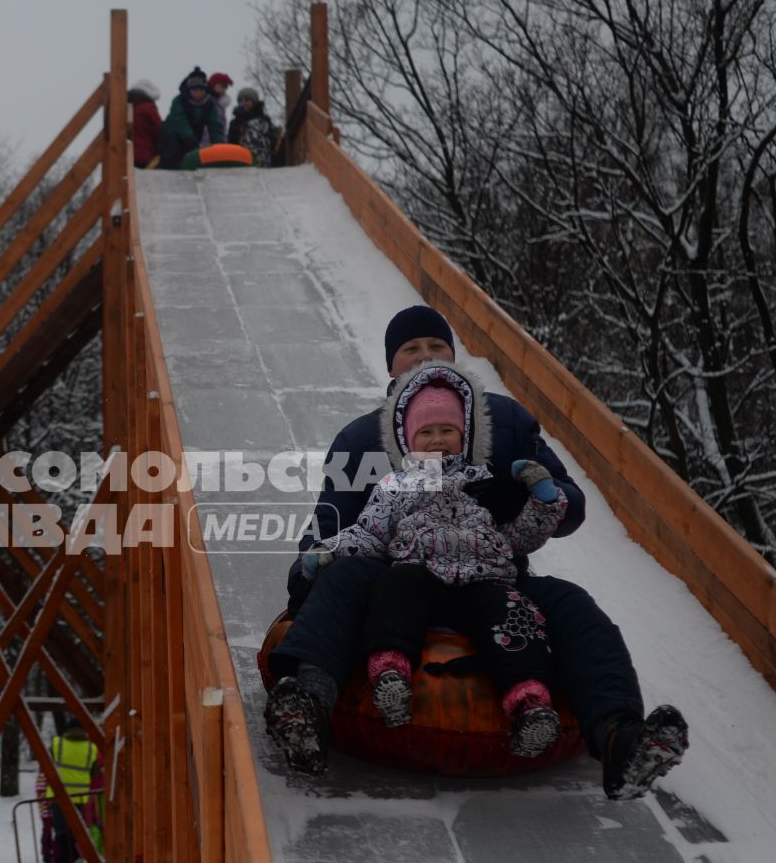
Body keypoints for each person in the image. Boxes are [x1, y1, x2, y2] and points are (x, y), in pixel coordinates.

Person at [264, 304, 689, 799]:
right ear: (390, 367)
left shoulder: (504, 421)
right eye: (410, 349)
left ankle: (619, 736)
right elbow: (337, 520)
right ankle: (309, 707)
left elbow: (566, 505)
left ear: (453, 355)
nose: (424, 356)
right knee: (343, 579)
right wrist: (312, 567)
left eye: (435, 346)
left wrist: (540, 496)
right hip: (399, 576)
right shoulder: (361, 441)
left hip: (492, 577)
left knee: (571, 603)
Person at [303, 360, 569, 758]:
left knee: (514, 613)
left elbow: (516, 539)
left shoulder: (481, 481)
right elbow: (371, 532)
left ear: (463, 437)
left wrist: (545, 503)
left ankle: (530, 703)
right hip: (421, 572)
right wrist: (331, 550)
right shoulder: (396, 485)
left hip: (484, 581)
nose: (438, 439)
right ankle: (390, 674)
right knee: (396, 586)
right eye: (426, 432)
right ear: (409, 441)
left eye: (448, 431)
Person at [41, 722, 103, 863]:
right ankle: (75, 860)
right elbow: (94, 773)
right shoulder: (91, 748)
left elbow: (46, 764)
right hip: (80, 796)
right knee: (77, 830)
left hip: (58, 795)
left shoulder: (57, 744)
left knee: (61, 830)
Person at [159, 68, 226, 170]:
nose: (198, 94)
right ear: (189, 90)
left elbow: (215, 126)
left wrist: (219, 147)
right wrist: (191, 140)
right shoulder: (179, 101)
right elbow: (180, 121)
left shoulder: (210, 104)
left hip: (194, 134)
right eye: (195, 90)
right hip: (175, 133)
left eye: (201, 90)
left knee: (191, 154)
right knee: (172, 142)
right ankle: (167, 168)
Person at [227, 88, 280, 166]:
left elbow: (273, 140)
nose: (244, 103)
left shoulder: (264, 119)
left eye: (247, 100)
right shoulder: (235, 122)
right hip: (241, 159)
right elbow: (231, 141)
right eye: (241, 101)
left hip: (262, 158)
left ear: (254, 102)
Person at [130, 80, 164, 169]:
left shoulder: (127, 106)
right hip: (145, 155)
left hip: (126, 155)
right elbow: (158, 129)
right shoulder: (148, 107)